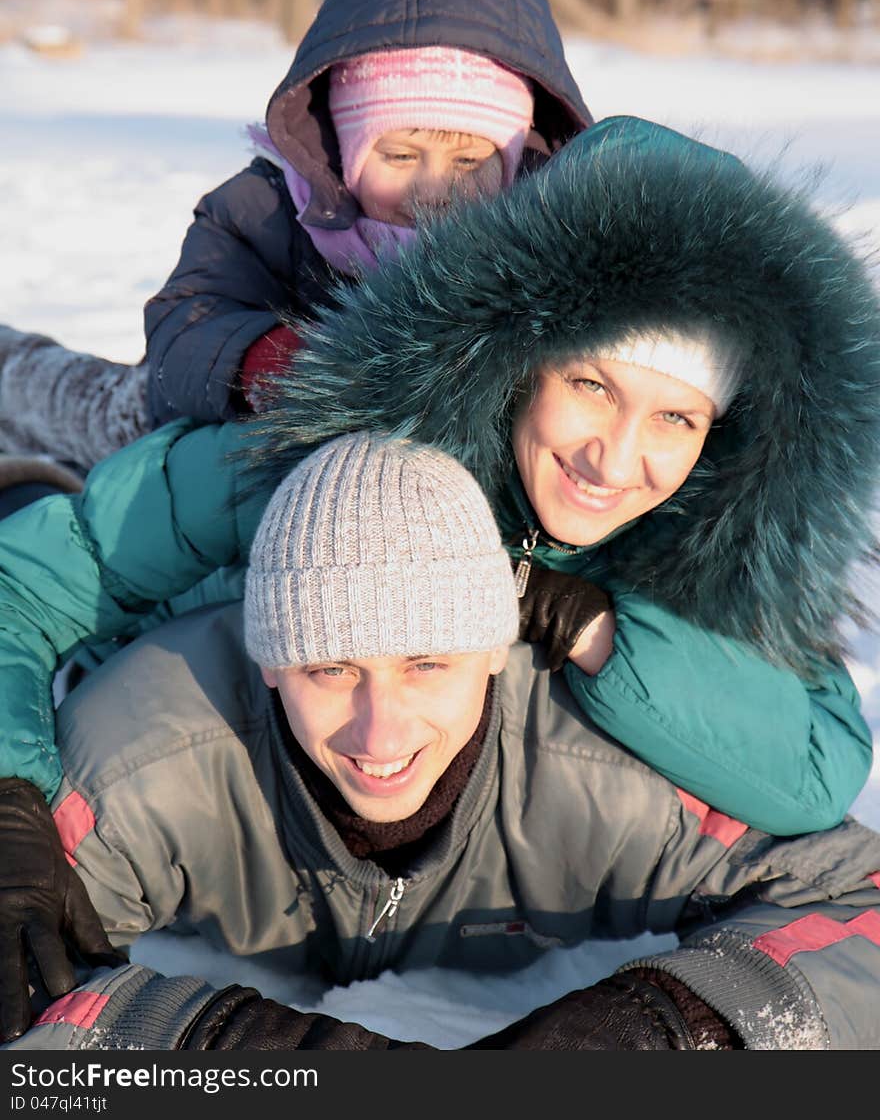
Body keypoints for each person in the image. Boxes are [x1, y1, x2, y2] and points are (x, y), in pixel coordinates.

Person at [1, 116, 878, 1038]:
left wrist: (600, 632)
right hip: (188, 725)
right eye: (591, 385)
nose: (616, 460)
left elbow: (816, 770)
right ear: (517, 361)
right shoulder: (331, 474)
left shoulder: (689, 550)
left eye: (678, 416)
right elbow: (37, 580)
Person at [6, 432, 880, 1052]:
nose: (379, 730)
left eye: (428, 664)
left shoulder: (599, 768)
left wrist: (664, 1028)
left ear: (496, 655)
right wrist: (237, 1047)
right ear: (269, 662)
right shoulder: (151, 753)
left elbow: (859, 900)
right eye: (330, 668)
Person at [0, 0, 589, 478]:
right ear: (348, 150)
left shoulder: (544, 239)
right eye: (401, 155)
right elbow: (187, 319)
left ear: (513, 162)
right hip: (193, 423)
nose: (433, 189)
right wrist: (261, 359)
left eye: (469, 162)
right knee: (78, 409)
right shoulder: (272, 210)